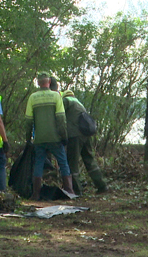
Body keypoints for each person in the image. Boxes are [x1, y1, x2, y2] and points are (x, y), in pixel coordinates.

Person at [23, 72, 75, 200]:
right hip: (55, 137)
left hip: (39, 138)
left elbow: (28, 121)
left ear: (38, 83)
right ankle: (69, 190)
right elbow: (61, 119)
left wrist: (28, 138)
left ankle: (36, 193)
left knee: (38, 164)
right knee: (63, 162)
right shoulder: (56, 96)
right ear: (49, 82)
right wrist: (64, 136)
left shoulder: (32, 97)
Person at [61, 90, 108, 195]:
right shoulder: (79, 103)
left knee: (72, 162)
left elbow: (59, 116)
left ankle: (77, 190)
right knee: (89, 160)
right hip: (86, 135)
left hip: (74, 136)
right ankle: (101, 185)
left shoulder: (66, 101)